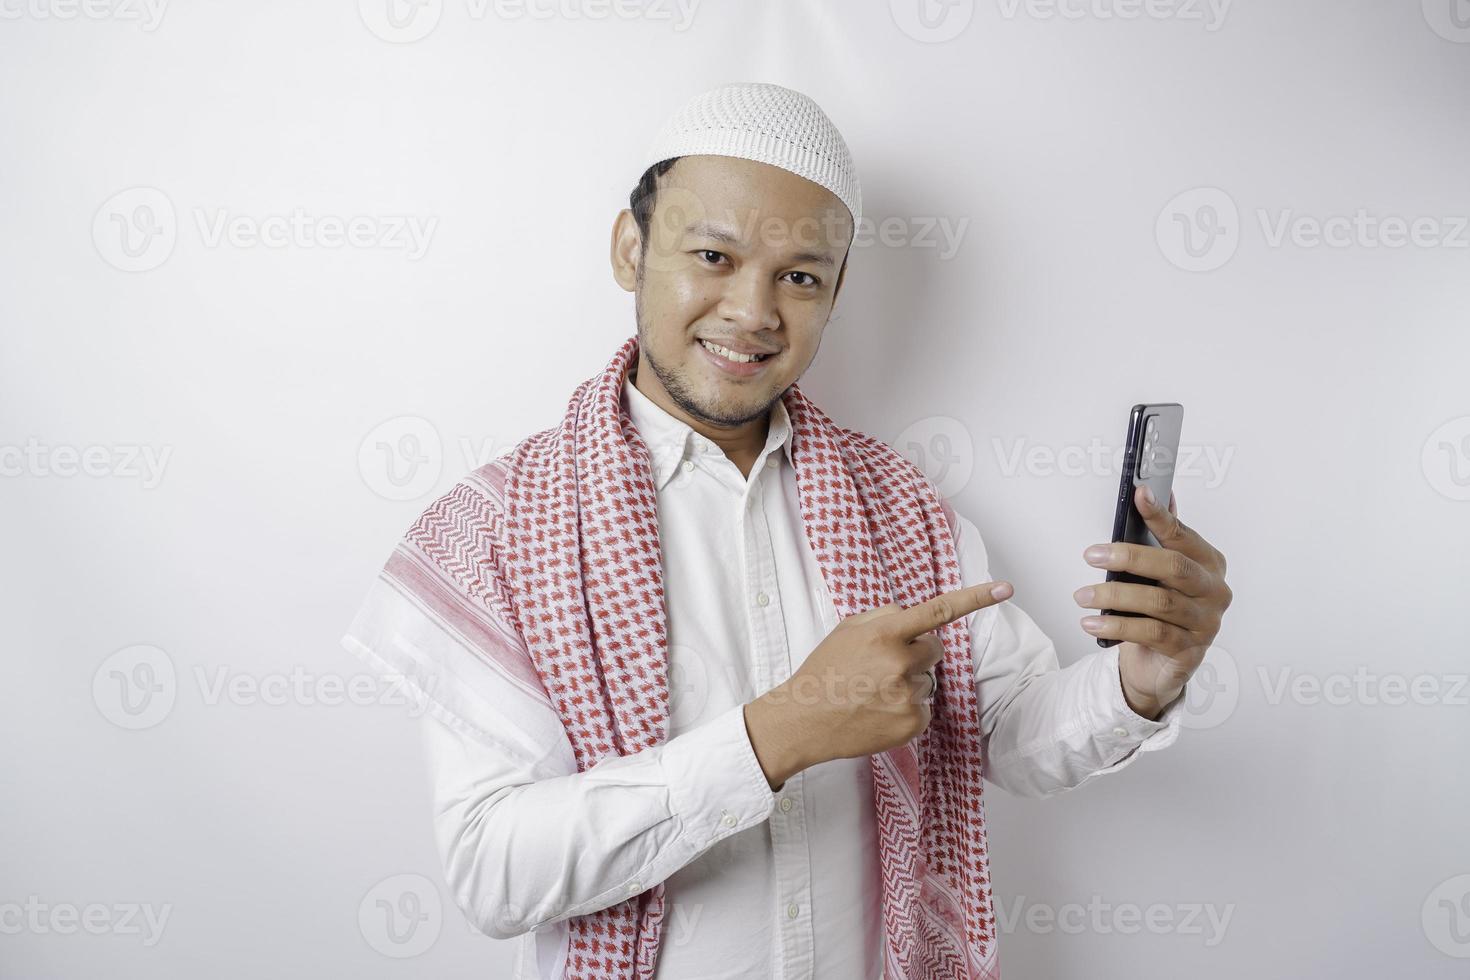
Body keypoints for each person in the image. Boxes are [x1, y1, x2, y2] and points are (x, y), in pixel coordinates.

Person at [341, 81, 1233, 980]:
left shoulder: (899, 508)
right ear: (630, 248)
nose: (753, 312)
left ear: (837, 292)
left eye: (799, 276)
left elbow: (1004, 736)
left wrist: (1142, 679)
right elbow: (494, 873)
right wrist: (780, 733)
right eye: (714, 255)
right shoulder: (498, 530)